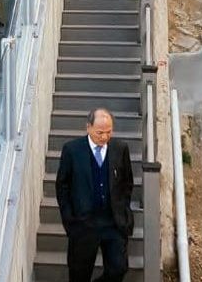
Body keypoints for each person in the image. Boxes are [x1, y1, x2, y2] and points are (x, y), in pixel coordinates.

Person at [55, 107, 134, 282]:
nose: (105, 137)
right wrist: (69, 220)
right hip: (83, 224)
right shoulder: (72, 150)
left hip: (113, 222)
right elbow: (62, 186)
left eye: (109, 132)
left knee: (118, 269)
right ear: (88, 127)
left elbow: (127, 183)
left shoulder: (120, 149)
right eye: (100, 132)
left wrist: (124, 211)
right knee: (79, 274)